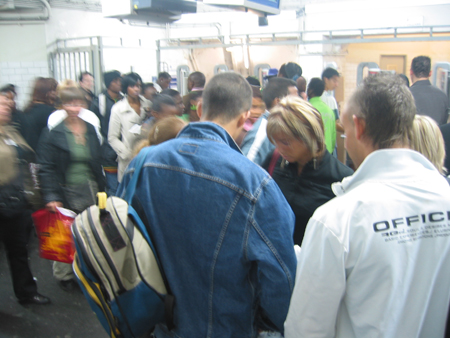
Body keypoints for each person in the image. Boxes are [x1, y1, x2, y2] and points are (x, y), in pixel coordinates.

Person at [117, 72, 297, 338]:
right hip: (225, 327)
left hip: (155, 322)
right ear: (245, 118)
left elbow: (122, 233)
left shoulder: (141, 164)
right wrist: (270, 324)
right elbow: (280, 273)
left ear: (200, 109)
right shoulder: (255, 184)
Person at [284, 73, 450, 338]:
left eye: (345, 129)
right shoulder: (444, 195)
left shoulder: (339, 218)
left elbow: (306, 329)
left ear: (358, 127)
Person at [38, 86, 105, 292]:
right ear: (61, 105)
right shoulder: (53, 133)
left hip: (90, 186)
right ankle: (65, 274)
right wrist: (51, 196)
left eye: (78, 103)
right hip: (66, 188)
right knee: (65, 232)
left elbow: (97, 160)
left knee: (91, 231)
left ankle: (88, 270)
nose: (74, 108)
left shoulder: (90, 128)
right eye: (69, 104)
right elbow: (46, 166)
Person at [263, 96, 352, 245]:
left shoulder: (342, 179)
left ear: (310, 136)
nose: (279, 148)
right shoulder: (273, 160)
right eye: (275, 141)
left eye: (285, 142)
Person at [0, 95, 50, 305]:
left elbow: (26, 160)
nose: (7, 107)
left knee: (19, 251)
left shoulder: (11, 131)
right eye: (1, 104)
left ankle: (27, 292)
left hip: (15, 201)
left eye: (7, 104)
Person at [241, 77, 298, 165]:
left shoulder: (282, 127)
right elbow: (245, 169)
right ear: (278, 101)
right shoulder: (263, 133)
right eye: (295, 100)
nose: (300, 105)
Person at [108, 72, 152, 182]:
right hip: (128, 159)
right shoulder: (118, 108)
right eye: (132, 86)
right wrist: (127, 154)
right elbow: (112, 137)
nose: (136, 89)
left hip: (147, 156)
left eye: (139, 86)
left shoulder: (148, 105)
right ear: (125, 88)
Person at [90, 70, 123, 196]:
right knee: (112, 187)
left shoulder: (125, 99)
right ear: (109, 83)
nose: (119, 83)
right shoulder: (100, 102)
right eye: (116, 80)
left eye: (120, 80)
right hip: (108, 152)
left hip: (124, 152)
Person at [410, 55, 449, 125]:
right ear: (430, 73)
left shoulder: (406, 95)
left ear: (411, 72)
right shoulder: (443, 96)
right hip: (437, 135)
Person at [22, 77, 57, 151]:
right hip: (44, 153)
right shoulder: (50, 112)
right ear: (48, 93)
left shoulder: (27, 110)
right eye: (53, 90)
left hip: (29, 153)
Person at [307, 77, 337, 154]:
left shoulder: (306, 108)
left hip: (311, 154)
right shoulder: (329, 110)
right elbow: (333, 135)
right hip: (327, 154)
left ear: (310, 90)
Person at [321, 67, 344, 133]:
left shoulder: (313, 97)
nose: (336, 85)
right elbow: (334, 124)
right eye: (334, 81)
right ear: (326, 79)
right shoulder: (330, 99)